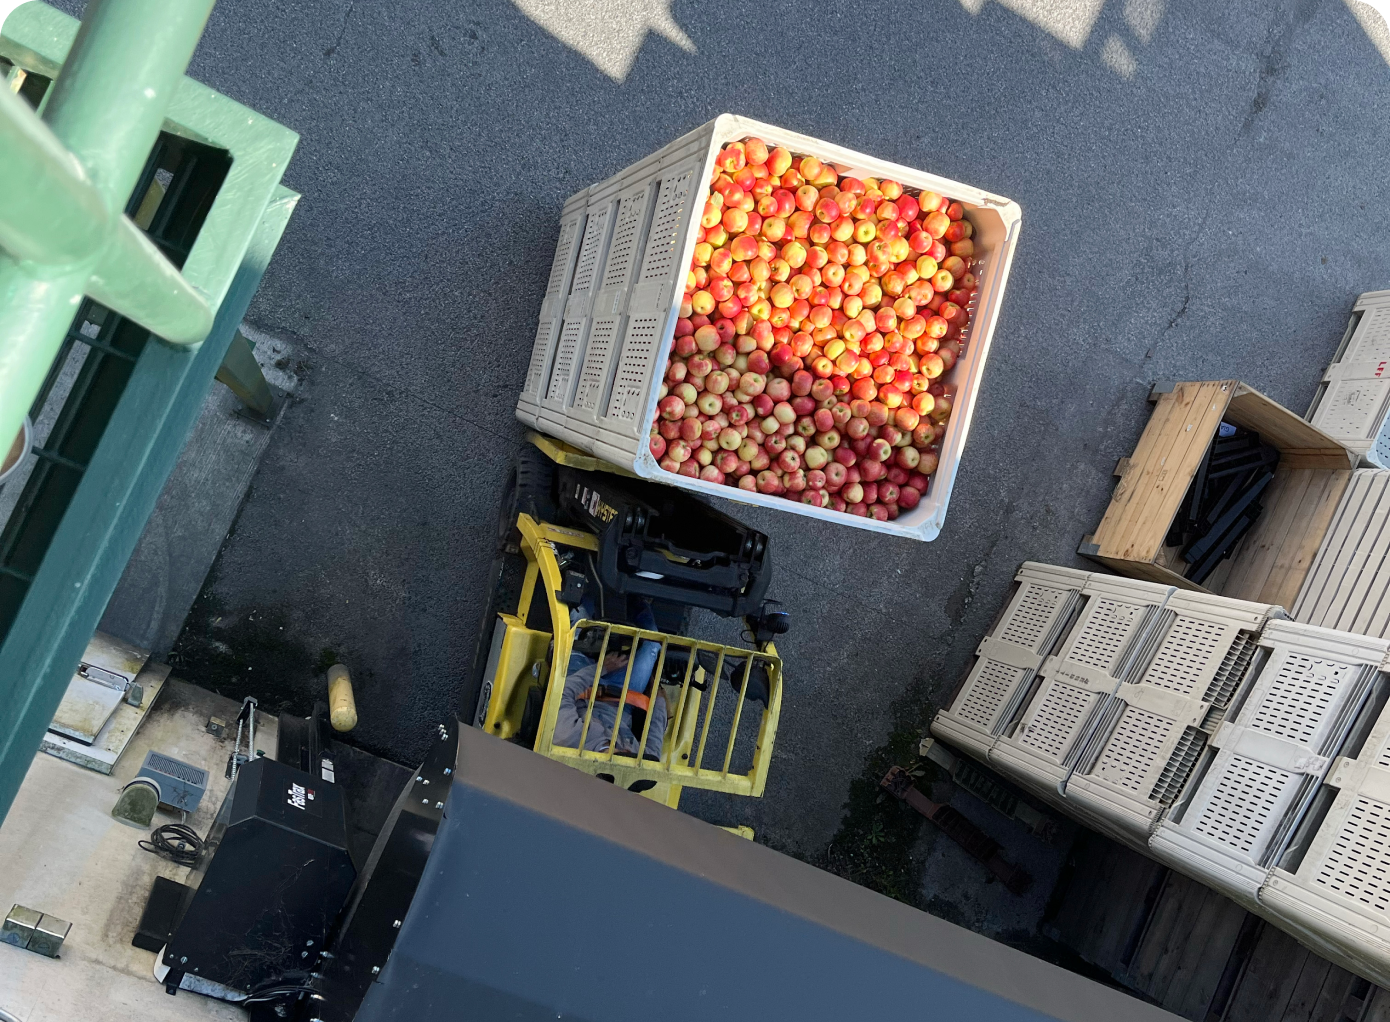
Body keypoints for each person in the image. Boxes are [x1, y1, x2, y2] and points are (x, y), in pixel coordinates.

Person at [551, 596, 667, 760]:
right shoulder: (639, 759)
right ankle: (639, 600)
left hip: (581, 685)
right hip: (623, 697)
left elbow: (563, 691)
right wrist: (659, 701)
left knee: (580, 620)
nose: (629, 750)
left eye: (626, 752)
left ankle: (586, 588)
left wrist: (602, 668)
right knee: (652, 644)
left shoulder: (569, 739)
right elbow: (654, 739)